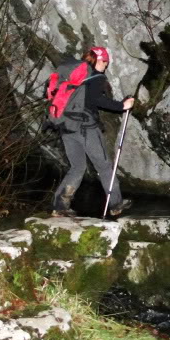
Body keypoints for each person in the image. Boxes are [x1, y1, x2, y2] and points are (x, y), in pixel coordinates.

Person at [52, 47, 135, 217]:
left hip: (66, 127)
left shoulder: (74, 77)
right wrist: (122, 106)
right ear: (99, 61)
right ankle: (116, 204)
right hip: (86, 128)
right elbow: (96, 99)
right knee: (104, 166)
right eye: (105, 61)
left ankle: (59, 207)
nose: (106, 65)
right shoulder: (96, 78)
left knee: (77, 167)